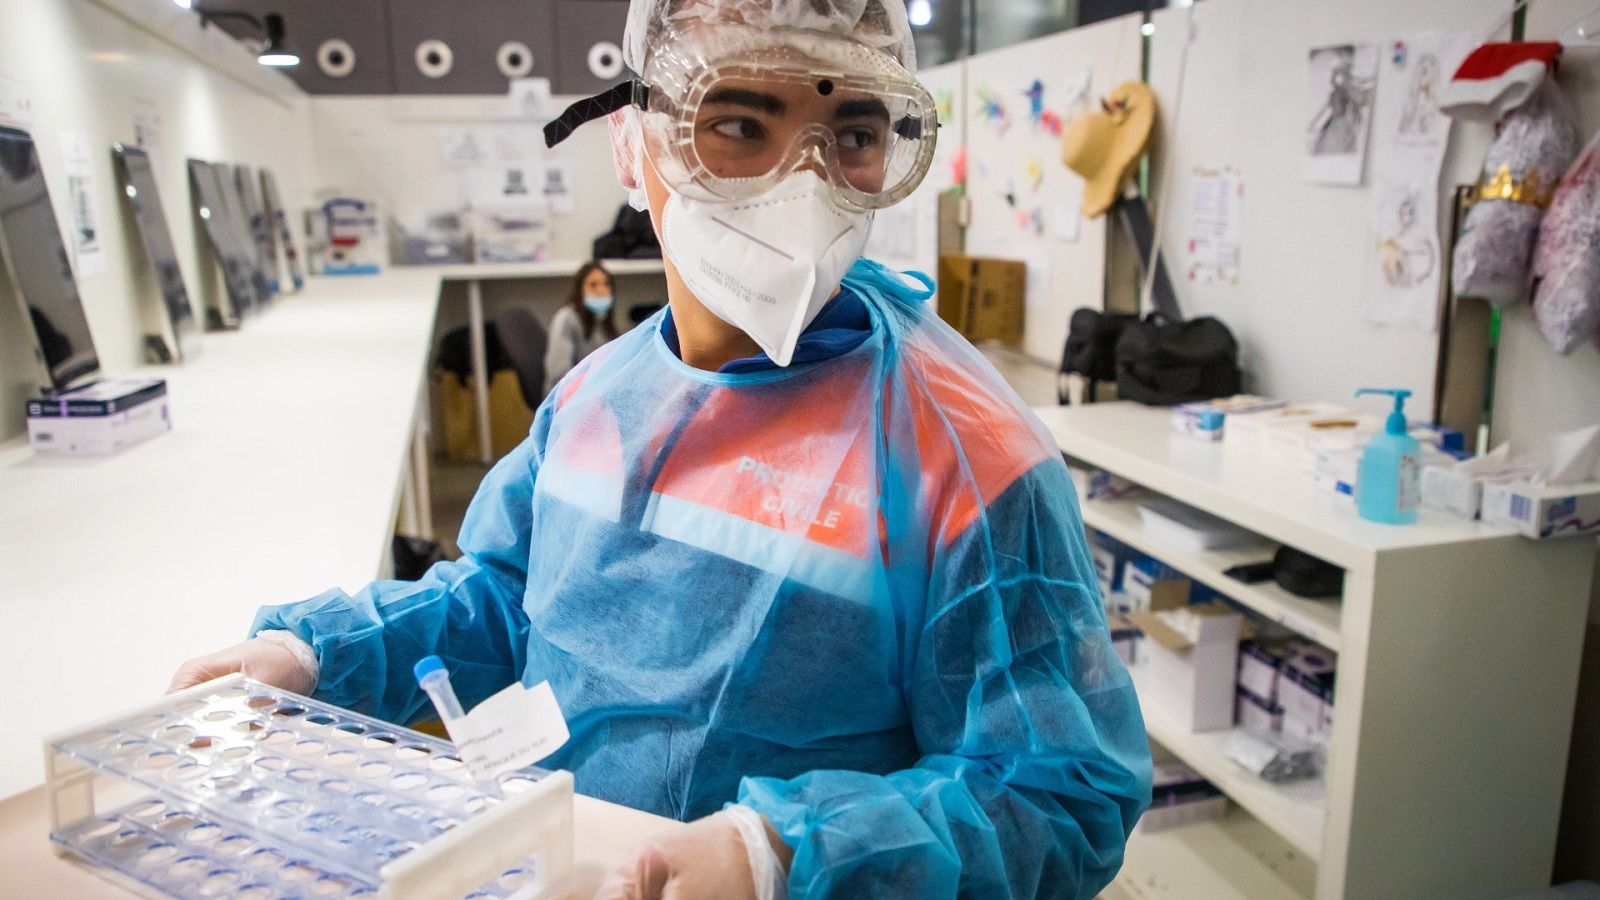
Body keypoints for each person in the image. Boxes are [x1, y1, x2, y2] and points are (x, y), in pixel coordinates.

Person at [169, 2, 1151, 897]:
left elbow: (1057, 793)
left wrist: (785, 856)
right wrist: (313, 655)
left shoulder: (964, 459)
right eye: (740, 125)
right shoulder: (601, 397)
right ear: (634, 146)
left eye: (851, 135)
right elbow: (507, 597)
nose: (801, 185)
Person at [546, 261, 620, 391]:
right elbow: (558, 374)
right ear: (580, 290)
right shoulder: (566, 318)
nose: (601, 290)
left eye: (606, 284)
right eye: (593, 285)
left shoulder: (602, 321)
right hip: (570, 396)